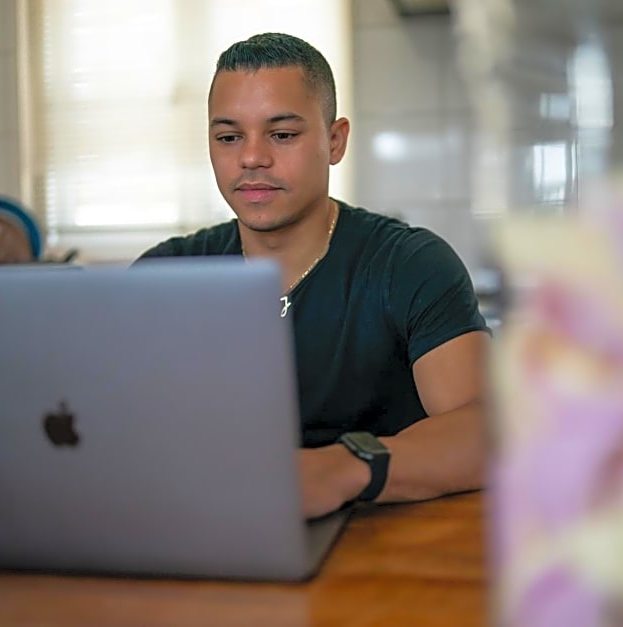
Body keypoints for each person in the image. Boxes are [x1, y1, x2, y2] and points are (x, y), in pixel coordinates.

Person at [137, 33, 490, 519]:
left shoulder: (410, 265)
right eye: (229, 137)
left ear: (334, 140)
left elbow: (485, 428)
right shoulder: (163, 276)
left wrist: (339, 469)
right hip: (211, 536)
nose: (252, 157)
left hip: (383, 555)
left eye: (281, 134)